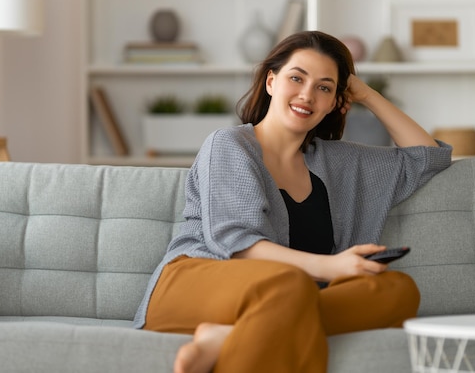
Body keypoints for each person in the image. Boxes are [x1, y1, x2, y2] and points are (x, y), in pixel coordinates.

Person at [133, 30, 452, 373]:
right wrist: (331, 267)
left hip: (286, 296)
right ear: (271, 81)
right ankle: (254, 322)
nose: (307, 95)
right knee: (289, 283)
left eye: (324, 87)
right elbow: (236, 242)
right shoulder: (229, 145)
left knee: (397, 289)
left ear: (334, 102)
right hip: (194, 282)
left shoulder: (339, 162)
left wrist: (368, 94)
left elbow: (426, 159)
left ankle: (231, 335)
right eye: (296, 78)